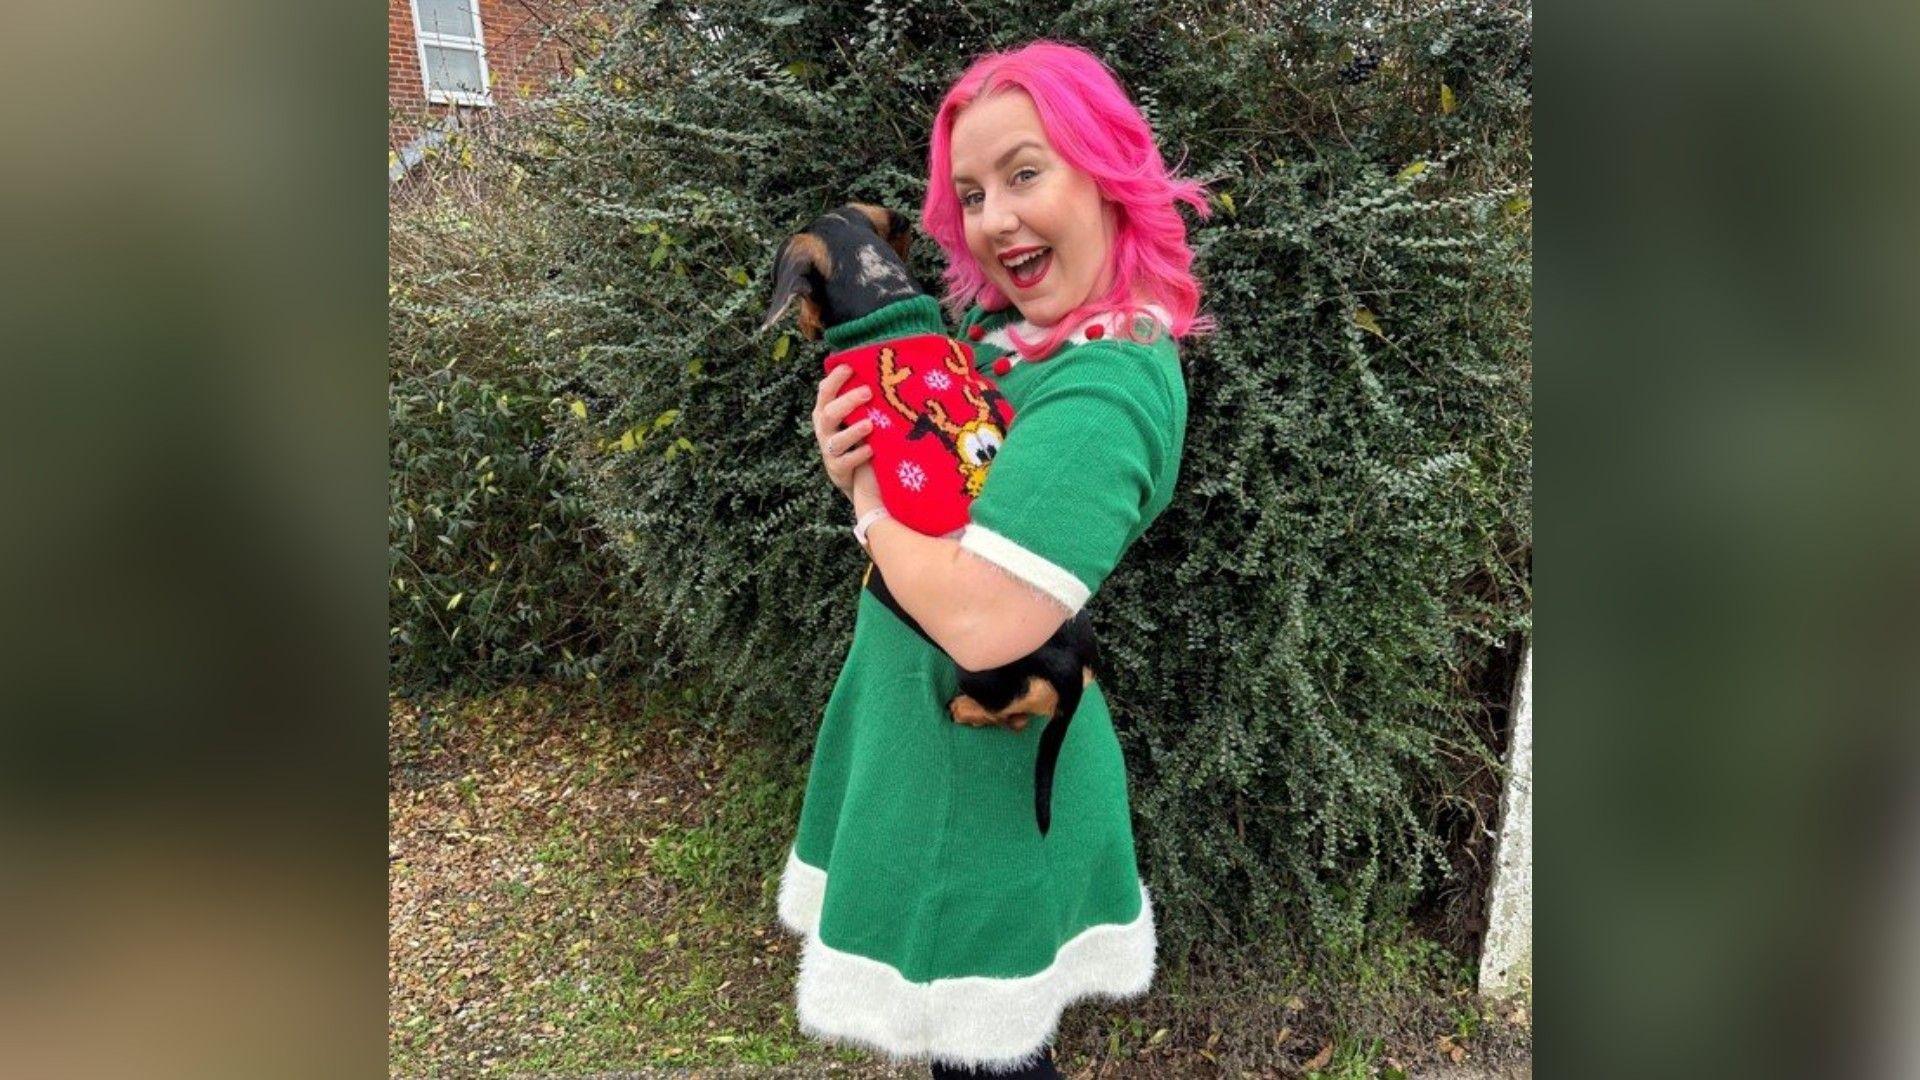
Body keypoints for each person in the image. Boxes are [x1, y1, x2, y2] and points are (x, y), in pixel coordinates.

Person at [776, 40, 1210, 1079]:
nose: (993, 216)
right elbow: (949, 484)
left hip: (982, 790)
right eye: (971, 191)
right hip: (948, 759)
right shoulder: (1016, 345)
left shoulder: (1104, 390)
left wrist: (868, 504)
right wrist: (864, 451)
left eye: (1026, 172)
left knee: (988, 1060)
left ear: (1106, 176)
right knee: (971, 1059)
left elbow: (985, 618)